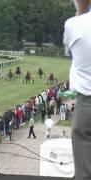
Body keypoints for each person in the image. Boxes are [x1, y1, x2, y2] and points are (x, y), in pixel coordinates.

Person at [63, 1, 91, 179]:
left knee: (84, 171)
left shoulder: (73, 24)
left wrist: (81, 9)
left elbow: (69, 49)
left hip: (87, 102)